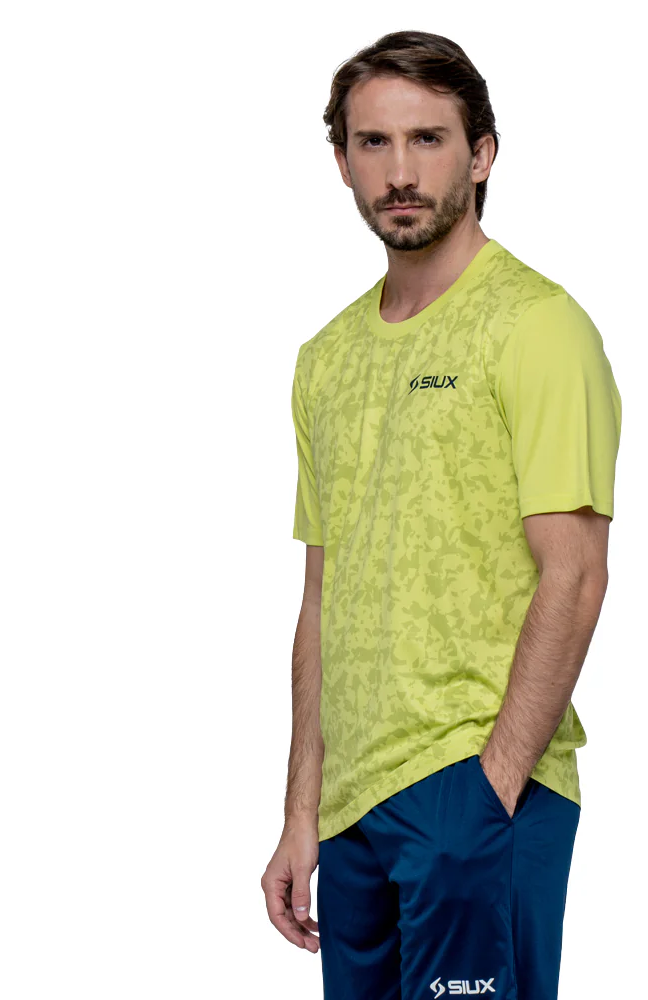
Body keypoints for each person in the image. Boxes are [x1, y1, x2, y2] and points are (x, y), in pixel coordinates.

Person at [262, 29, 622, 999]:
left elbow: (575, 573)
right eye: (373, 143)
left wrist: (489, 788)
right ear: (342, 161)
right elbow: (323, 598)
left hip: (478, 788)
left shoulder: (537, 328)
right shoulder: (326, 359)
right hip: (354, 813)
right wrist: (301, 812)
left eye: (428, 138)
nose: (400, 172)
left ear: (481, 153)